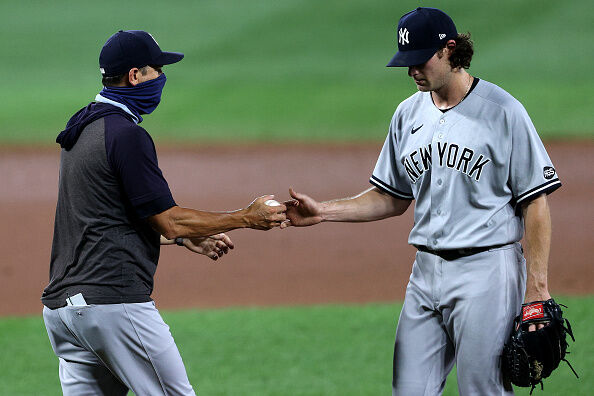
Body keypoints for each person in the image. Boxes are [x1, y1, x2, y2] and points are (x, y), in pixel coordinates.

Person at [282, 7, 561, 395]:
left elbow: (535, 203)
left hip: (487, 272)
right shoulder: (407, 113)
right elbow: (391, 197)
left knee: (483, 389)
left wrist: (537, 288)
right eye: (406, 63)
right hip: (425, 273)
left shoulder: (504, 112)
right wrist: (324, 211)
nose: (412, 71)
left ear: (449, 50)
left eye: (420, 61)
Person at [41, 30, 286, 395]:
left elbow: (107, 220)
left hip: (63, 313)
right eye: (157, 69)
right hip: (113, 305)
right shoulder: (125, 135)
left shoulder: (82, 127)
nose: (162, 78)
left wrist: (187, 237)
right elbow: (169, 220)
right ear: (135, 76)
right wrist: (246, 216)